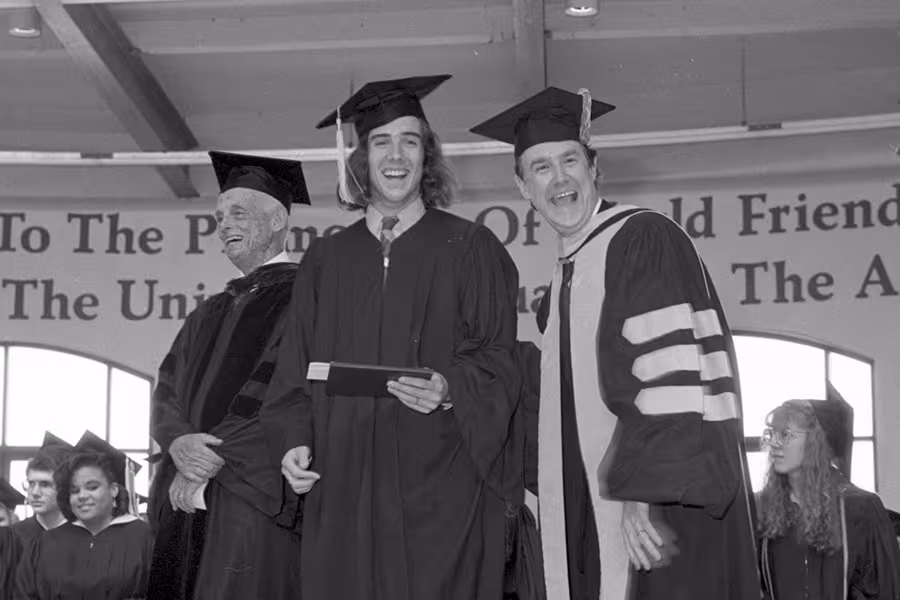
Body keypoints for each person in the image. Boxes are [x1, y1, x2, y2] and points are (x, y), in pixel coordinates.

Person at [471, 86, 761, 600]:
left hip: (660, 507)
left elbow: (671, 375)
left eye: (570, 161)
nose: (559, 178)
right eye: (541, 167)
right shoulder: (564, 279)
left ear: (594, 168)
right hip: (594, 503)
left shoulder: (641, 238)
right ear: (521, 185)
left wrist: (643, 493)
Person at [260, 74, 522, 600]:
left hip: (441, 485)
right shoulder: (325, 260)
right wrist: (293, 444)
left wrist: (451, 387)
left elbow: (500, 357)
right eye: (381, 141)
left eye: (410, 140)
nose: (395, 155)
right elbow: (295, 371)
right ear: (362, 158)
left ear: (428, 155)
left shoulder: (471, 247)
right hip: (345, 484)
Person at [147, 151, 309, 600]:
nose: (224, 225)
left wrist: (209, 459)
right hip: (188, 492)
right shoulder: (209, 311)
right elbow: (167, 390)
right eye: (219, 217)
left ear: (277, 220)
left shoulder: (307, 298)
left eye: (239, 213)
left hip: (250, 493)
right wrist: (178, 443)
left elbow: (285, 390)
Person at [757, 386, 900, 599]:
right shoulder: (762, 508)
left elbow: (884, 590)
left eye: (786, 434)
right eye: (772, 433)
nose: (774, 443)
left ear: (817, 443)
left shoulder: (860, 510)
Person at [15, 430, 154, 599]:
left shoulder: (141, 537)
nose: (82, 496)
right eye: (74, 490)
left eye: (92, 487)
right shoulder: (47, 542)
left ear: (114, 490)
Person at [12, 432, 74, 549]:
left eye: (45, 484)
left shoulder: (84, 537)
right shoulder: (14, 537)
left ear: (65, 487)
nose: (35, 493)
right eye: (31, 483)